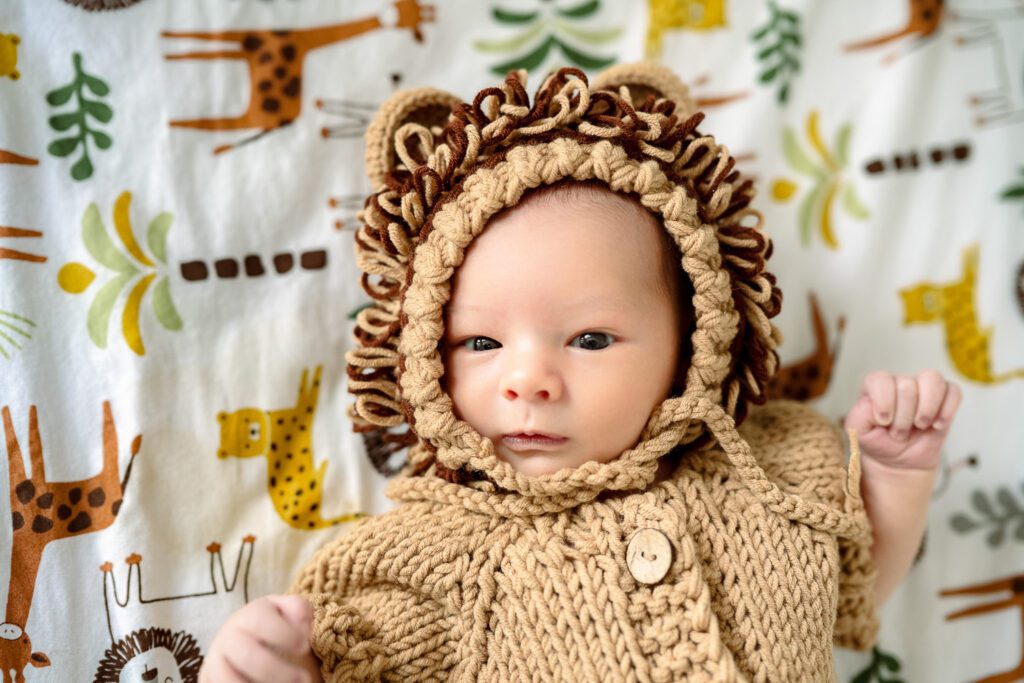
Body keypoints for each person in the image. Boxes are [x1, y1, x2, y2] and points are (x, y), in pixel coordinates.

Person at [198, 63, 961, 682]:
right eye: (480, 343)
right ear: (425, 359)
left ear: (693, 343)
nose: (528, 379)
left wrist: (896, 478)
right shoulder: (449, 558)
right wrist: (266, 663)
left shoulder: (768, 466)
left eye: (591, 338)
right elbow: (350, 654)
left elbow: (856, 591)